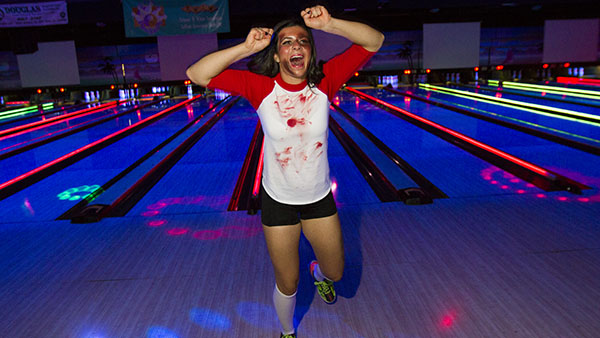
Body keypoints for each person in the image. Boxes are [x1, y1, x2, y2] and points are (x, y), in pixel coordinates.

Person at [186, 5, 383, 337]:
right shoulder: (260, 88)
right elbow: (197, 74)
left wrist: (331, 23)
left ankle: (318, 275)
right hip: (278, 200)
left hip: (318, 198)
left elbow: (375, 40)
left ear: (310, 51)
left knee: (335, 273)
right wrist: (246, 48)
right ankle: (286, 331)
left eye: (303, 41)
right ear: (277, 55)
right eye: (287, 42)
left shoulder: (325, 83)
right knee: (288, 282)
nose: (296, 46)